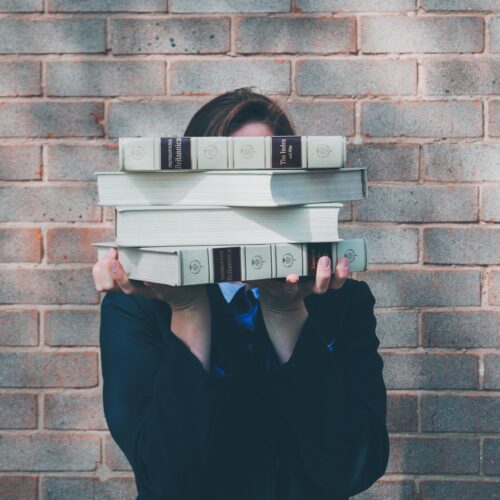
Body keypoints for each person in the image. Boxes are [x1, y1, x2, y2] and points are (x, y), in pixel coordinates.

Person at [93, 88, 390, 500]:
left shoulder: (343, 301)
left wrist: (289, 318)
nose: (249, 203)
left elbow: (352, 467)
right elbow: (165, 478)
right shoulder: (138, 307)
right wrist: (188, 309)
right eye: (228, 182)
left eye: (263, 181)